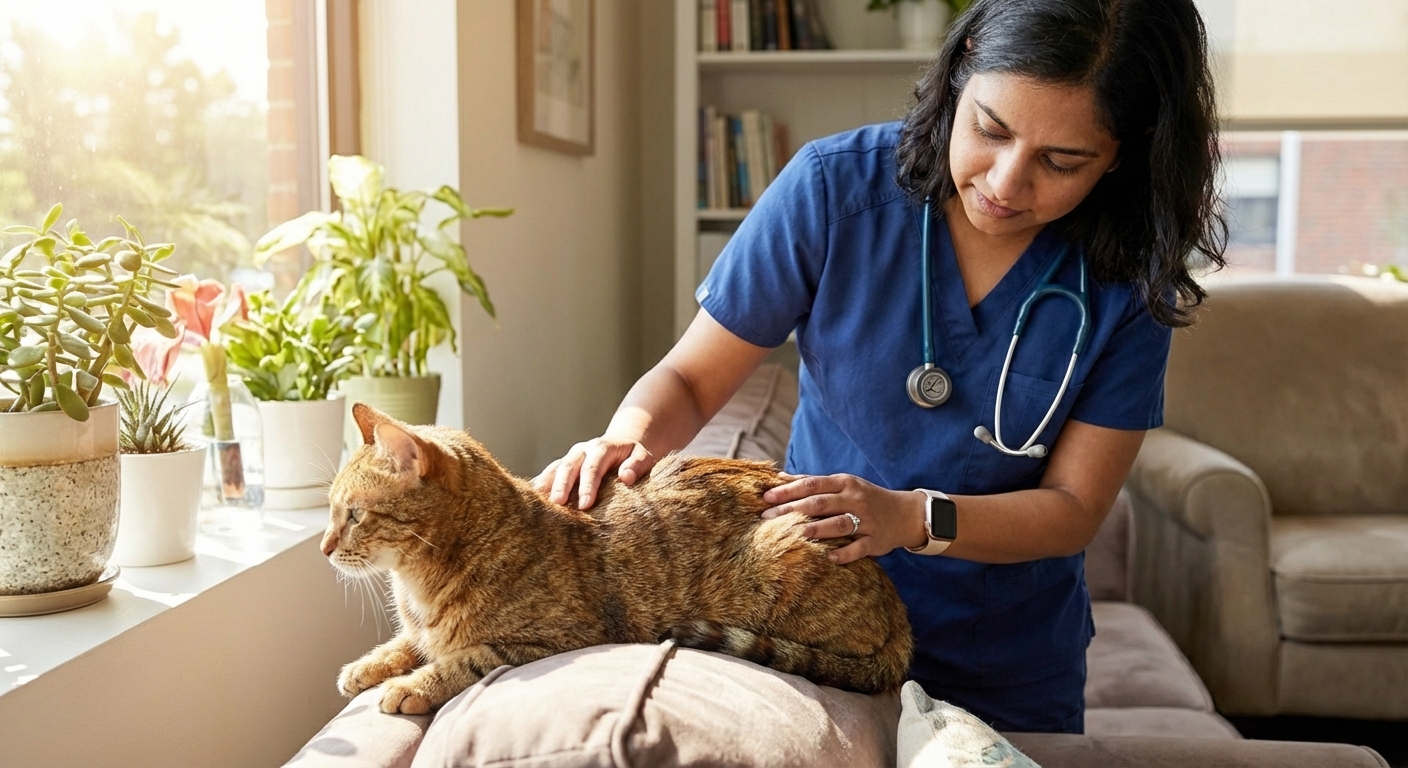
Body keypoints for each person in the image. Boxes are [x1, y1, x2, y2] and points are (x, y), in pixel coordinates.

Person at [533, 0, 1225, 734]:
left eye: (1062, 161)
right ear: (960, 75)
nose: (1006, 182)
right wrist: (629, 435)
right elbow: (692, 378)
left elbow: (1072, 510)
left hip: (1005, 656)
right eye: (990, 129)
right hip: (814, 618)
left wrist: (911, 517)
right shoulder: (835, 191)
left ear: (1124, 153)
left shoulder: (1126, 279)